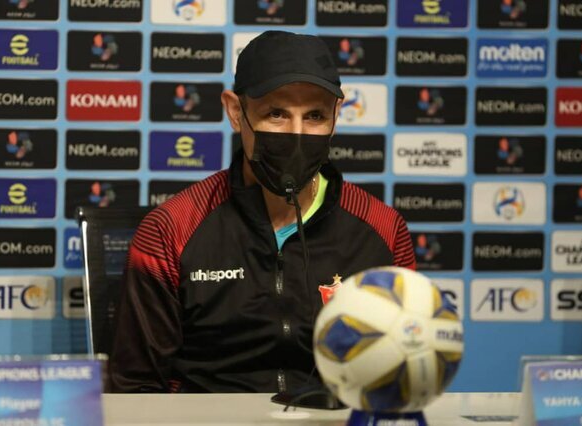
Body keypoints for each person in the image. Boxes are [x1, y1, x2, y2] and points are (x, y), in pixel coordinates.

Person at [110, 31, 416, 394]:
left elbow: (404, 371)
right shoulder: (170, 229)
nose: (297, 134)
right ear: (235, 112)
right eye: (276, 113)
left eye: (315, 115)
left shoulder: (383, 230)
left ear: (336, 115)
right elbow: (136, 387)